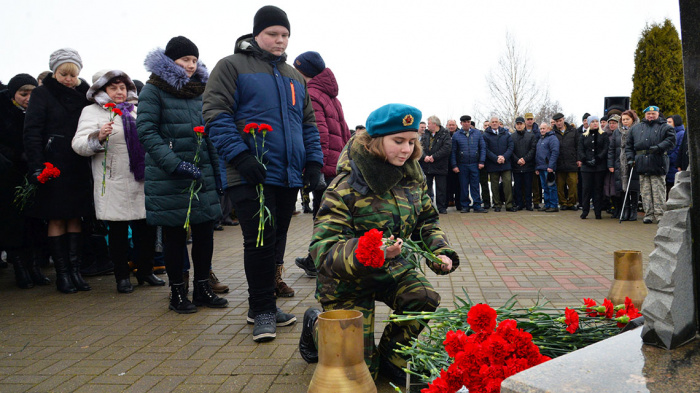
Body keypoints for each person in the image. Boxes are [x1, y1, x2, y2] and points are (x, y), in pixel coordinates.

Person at [299, 103, 459, 384]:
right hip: (345, 280)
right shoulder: (345, 186)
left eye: (412, 141)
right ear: (375, 141)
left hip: (390, 268)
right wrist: (370, 252)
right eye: (398, 141)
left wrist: (439, 250)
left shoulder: (412, 178)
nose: (407, 149)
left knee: (422, 296)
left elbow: (426, 222)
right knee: (359, 373)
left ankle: (391, 357)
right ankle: (315, 324)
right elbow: (323, 252)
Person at [203, 6, 322, 342]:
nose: (280, 40)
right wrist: (240, 156)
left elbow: (308, 124)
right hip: (249, 172)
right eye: (273, 34)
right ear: (256, 34)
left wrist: (312, 163)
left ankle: (263, 305)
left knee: (275, 241)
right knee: (258, 240)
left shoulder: (294, 77)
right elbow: (215, 113)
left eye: (285, 35)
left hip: (287, 174)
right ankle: (262, 310)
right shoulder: (231, 66)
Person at [137, 36, 227, 312]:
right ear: (169, 60)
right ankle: (177, 294)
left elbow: (209, 133)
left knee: (204, 233)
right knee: (175, 235)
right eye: (184, 60)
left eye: (193, 60)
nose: (190, 65)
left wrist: (218, 173)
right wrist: (173, 163)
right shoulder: (153, 89)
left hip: (202, 173)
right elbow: (146, 131)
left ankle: (202, 289)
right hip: (170, 174)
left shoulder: (200, 89)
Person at [73, 70, 165, 293]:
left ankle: (145, 271)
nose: (119, 92)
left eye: (122, 87)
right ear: (103, 90)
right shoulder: (92, 112)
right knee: (118, 232)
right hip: (113, 179)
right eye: (113, 88)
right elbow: (78, 144)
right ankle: (122, 277)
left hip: (141, 178)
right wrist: (98, 136)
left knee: (145, 229)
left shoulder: (136, 110)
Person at [23, 48, 92, 294]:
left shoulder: (85, 94)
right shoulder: (42, 94)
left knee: (76, 216)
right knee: (56, 217)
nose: (68, 79)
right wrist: (38, 166)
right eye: (64, 73)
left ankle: (75, 272)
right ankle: (62, 275)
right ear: (55, 71)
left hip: (78, 162)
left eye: (73, 75)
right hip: (54, 164)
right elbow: (31, 132)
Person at [292, 50, 351, 278]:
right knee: (330, 215)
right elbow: (345, 134)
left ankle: (318, 261)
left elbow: (318, 134)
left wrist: (316, 167)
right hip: (337, 166)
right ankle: (316, 259)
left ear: (303, 71)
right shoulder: (331, 97)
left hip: (325, 167)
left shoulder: (312, 94)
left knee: (323, 216)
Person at [0, 73, 51, 288]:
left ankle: (34, 268)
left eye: (32, 93)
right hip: (9, 175)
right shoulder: (4, 113)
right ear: (13, 94)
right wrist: (15, 155)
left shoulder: (39, 112)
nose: (28, 98)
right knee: (13, 223)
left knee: (33, 223)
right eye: (23, 93)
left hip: (32, 173)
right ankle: (20, 269)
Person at [625, 106, 676, 224]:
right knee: (645, 191)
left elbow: (671, 141)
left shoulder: (666, 127)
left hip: (658, 162)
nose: (651, 116)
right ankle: (648, 214)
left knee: (658, 190)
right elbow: (629, 145)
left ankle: (659, 214)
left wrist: (659, 147)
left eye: (653, 113)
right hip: (642, 163)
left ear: (658, 114)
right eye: (648, 114)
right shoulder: (636, 128)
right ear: (645, 115)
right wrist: (630, 158)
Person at [450, 115, 487, 213]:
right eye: (464, 122)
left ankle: (477, 205)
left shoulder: (477, 133)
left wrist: (481, 161)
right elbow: (453, 152)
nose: (466, 123)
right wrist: (454, 165)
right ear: (461, 123)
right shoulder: (456, 135)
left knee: (475, 186)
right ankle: (465, 205)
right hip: (462, 165)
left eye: (468, 121)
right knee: (463, 186)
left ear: (470, 123)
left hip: (475, 164)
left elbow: (483, 148)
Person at [578, 116, 609, 219]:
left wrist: (598, 158)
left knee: (598, 189)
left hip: (599, 166)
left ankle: (598, 211)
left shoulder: (603, 135)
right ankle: (585, 211)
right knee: (586, 189)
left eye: (597, 122)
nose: (595, 123)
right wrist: (585, 160)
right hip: (586, 167)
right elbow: (580, 149)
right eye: (593, 122)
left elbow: (605, 149)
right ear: (589, 123)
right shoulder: (583, 136)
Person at [420, 115, 452, 214]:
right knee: (427, 188)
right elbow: (420, 147)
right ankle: (428, 208)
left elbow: (446, 149)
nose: (427, 126)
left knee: (441, 188)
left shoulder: (445, 134)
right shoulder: (425, 134)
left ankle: (441, 207)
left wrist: (434, 157)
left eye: (429, 124)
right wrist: (424, 156)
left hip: (440, 165)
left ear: (434, 124)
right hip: (427, 165)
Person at [483, 116, 514, 212]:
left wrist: (504, 157)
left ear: (499, 123)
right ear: (490, 124)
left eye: (496, 122)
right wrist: (496, 158)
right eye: (493, 122)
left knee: (508, 184)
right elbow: (486, 149)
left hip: (505, 163)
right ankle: (497, 204)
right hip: (493, 164)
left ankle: (509, 204)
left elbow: (510, 147)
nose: (494, 123)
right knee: (494, 185)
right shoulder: (485, 135)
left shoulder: (506, 133)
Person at [552, 112, 580, 210]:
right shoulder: (552, 133)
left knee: (572, 184)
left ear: (563, 120)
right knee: (560, 186)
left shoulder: (573, 131)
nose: (559, 123)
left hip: (572, 162)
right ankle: (563, 203)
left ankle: (572, 203)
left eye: (560, 121)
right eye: (556, 121)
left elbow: (578, 146)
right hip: (559, 164)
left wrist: (578, 159)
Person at [618, 110, 640, 221]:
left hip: (633, 160)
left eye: (627, 119)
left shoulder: (637, 129)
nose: (625, 122)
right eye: (623, 120)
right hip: (622, 161)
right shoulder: (619, 131)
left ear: (633, 119)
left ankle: (634, 210)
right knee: (623, 186)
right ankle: (625, 209)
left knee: (634, 186)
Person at [511, 116, 537, 211]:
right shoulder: (512, 137)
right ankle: (519, 204)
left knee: (528, 186)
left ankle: (529, 204)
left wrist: (525, 159)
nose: (519, 126)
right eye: (517, 124)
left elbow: (533, 149)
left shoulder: (531, 136)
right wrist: (517, 160)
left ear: (524, 125)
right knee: (517, 187)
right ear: (515, 125)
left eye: (520, 124)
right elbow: (511, 150)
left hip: (528, 166)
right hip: (516, 166)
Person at [535, 122, 560, 212]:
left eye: (543, 128)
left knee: (551, 186)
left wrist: (551, 166)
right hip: (541, 167)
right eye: (540, 128)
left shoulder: (552, 139)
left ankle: (554, 205)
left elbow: (555, 152)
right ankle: (547, 204)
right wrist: (537, 167)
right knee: (545, 187)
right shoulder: (540, 139)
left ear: (548, 129)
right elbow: (538, 154)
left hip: (548, 168)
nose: (542, 130)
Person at [605, 115, 623, 218]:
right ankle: (615, 208)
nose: (612, 125)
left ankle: (620, 209)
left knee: (618, 189)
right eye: (610, 123)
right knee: (610, 189)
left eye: (614, 123)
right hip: (609, 166)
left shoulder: (621, 134)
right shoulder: (605, 134)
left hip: (619, 165)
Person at [665, 115, 685, 196]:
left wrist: (667, 159)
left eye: (669, 122)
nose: (667, 124)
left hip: (673, 166)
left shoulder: (681, 134)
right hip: (667, 167)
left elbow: (678, 150)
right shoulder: (668, 133)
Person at [444, 119, 461, 210]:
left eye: (453, 125)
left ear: (456, 125)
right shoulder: (443, 135)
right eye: (449, 125)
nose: (451, 126)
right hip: (446, 164)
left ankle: (459, 204)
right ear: (447, 125)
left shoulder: (459, 134)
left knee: (458, 185)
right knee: (447, 185)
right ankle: (447, 202)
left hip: (458, 164)